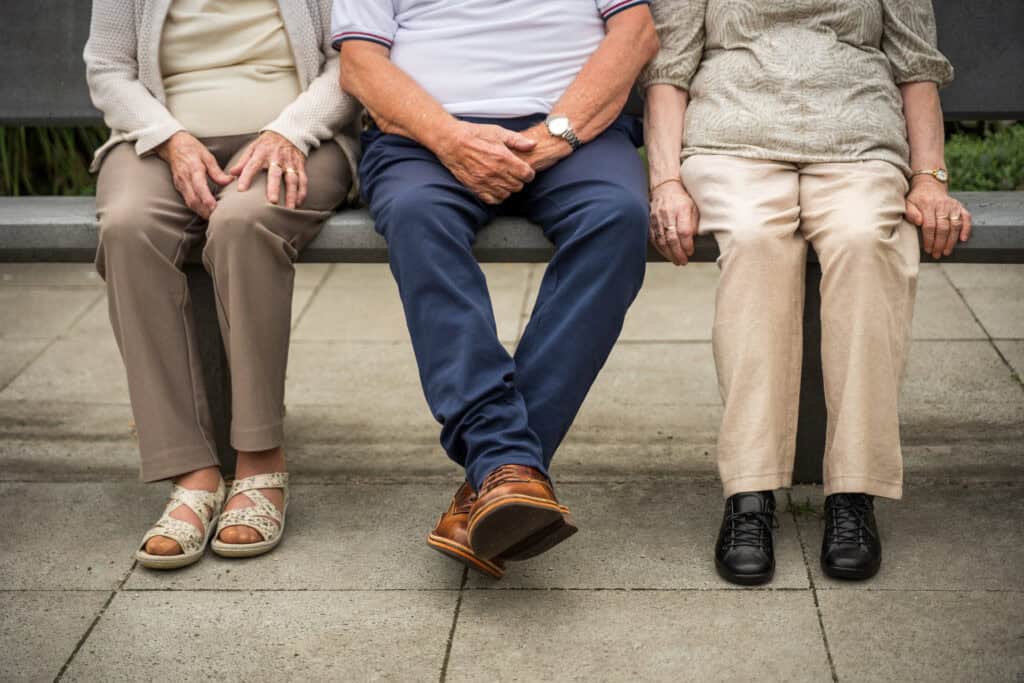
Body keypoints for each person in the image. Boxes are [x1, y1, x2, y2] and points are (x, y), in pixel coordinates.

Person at [334, 0, 659, 578]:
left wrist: (557, 135)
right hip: (425, 139)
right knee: (416, 215)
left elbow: (634, 34)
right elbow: (360, 64)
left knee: (617, 216)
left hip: (575, 133)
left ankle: (498, 469)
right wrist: (450, 138)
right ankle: (507, 465)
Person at [643, 0, 964, 584]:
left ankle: (854, 495)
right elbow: (668, 71)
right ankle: (750, 492)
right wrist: (665, 183)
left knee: (867, 241)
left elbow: (917, 66)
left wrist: (929, 177)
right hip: (733, 142)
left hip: (859, 143)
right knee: (755, 240)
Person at [84, 0, 361, 569]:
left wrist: (290, 129)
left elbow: (350, 61)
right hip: (159, 140)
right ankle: (193, 472)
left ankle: (260, 461)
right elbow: (109, 68)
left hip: (299, 137)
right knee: (130, 227)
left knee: (243, 223)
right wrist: (169, 137)